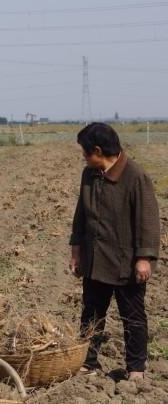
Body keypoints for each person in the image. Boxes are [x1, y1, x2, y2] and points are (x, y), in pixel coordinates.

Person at [70, 123, 160, 381]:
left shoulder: (135, 176)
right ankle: (87, 361)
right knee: (91, 314)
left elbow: (148, 220)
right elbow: (80, 215)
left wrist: (144, 258)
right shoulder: (90, 174)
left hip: (126, 262)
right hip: (95, 259)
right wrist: (76, 250)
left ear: (98, 150)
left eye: (85, 152)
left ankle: (135, 369)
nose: (83, 157)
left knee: (132, 316)